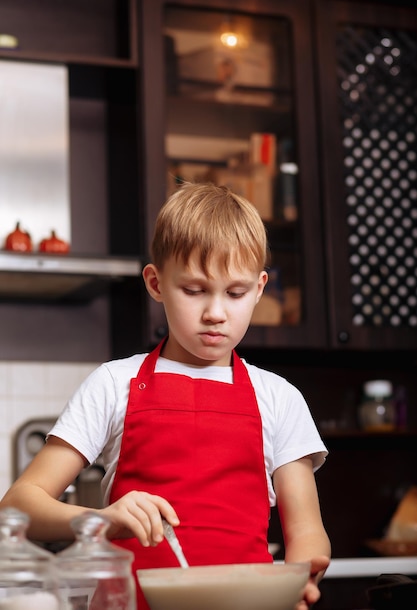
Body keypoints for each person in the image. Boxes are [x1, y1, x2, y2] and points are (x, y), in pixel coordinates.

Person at [0, 182, 330, 609]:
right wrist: (100, 522)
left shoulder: (279, 397)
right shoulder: (113, 383)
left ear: (260, 288)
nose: (215, 312)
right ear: (156, 283)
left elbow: (306, 530)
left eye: (235, 293)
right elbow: (18, 505)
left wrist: (299, 579)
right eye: (193, 291)